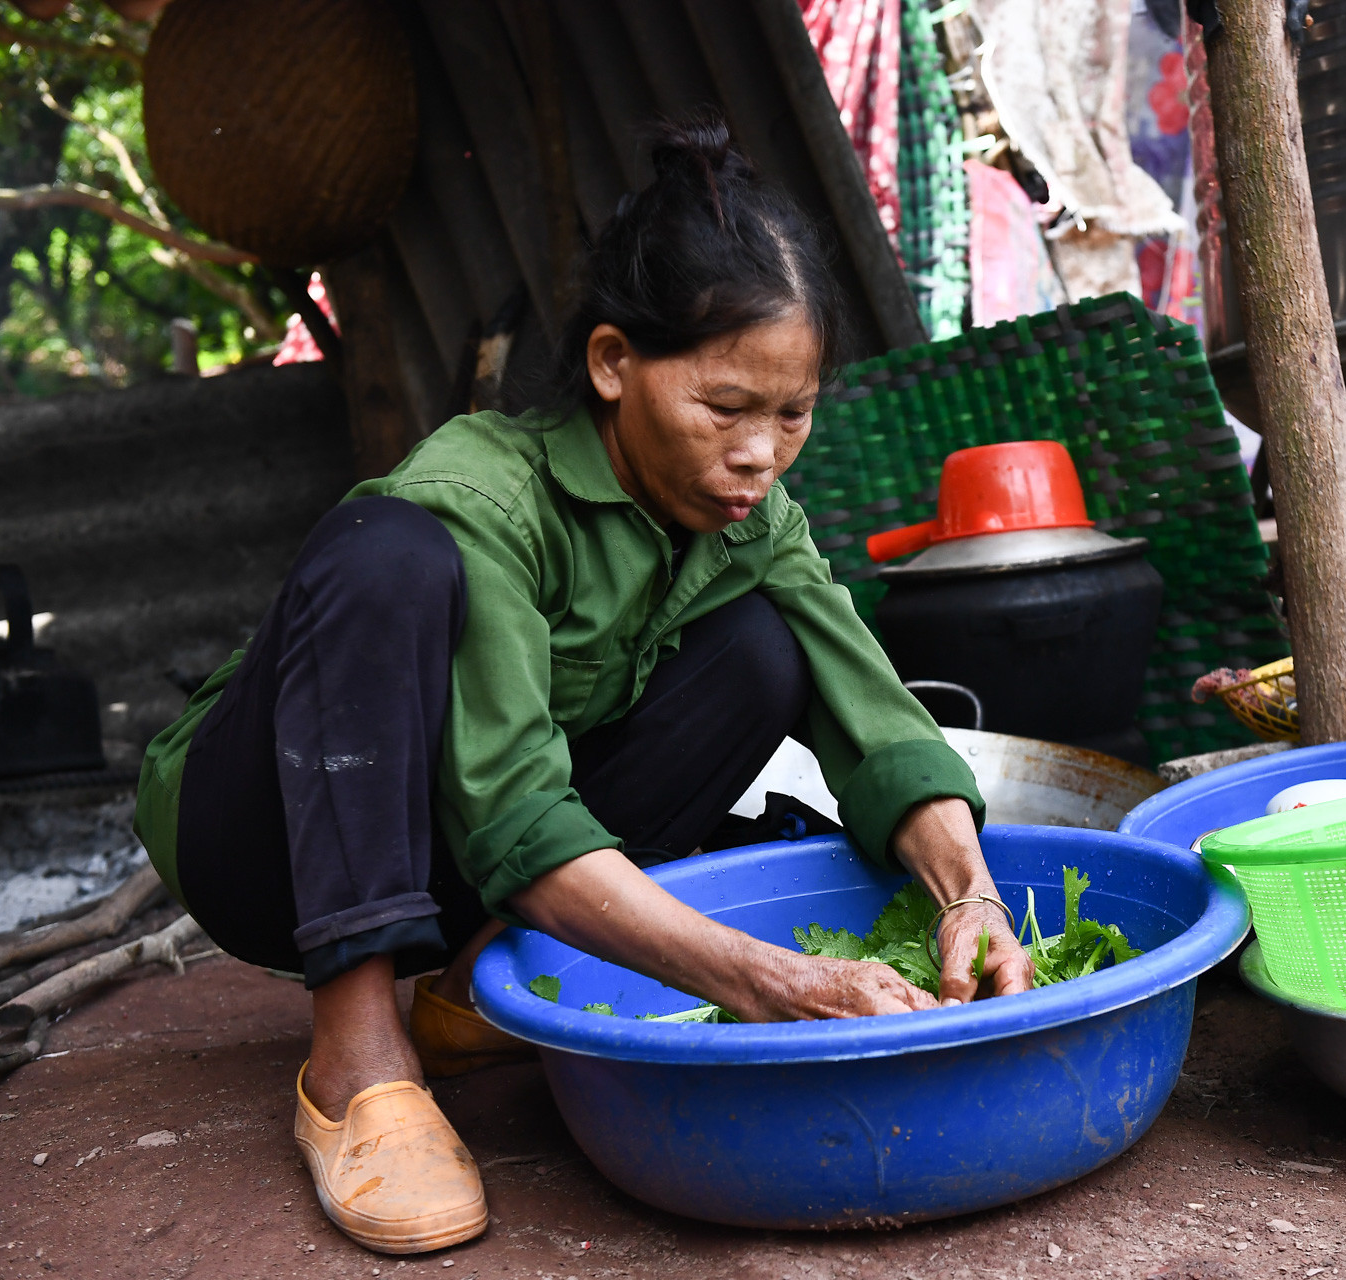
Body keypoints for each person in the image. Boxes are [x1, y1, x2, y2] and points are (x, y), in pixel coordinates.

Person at [132, 117, 1034, 1256]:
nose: (761, 452)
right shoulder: (487, 494)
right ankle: (355, 1059)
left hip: (468, 858)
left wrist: (970, 893)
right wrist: (770, 978)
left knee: (767, 644)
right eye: (725, 407)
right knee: (385, 553)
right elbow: (511, 800)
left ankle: (471, 987)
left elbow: (878, 714)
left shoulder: (751, 518)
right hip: (268, 838)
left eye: (791, 414)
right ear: (613, 363)